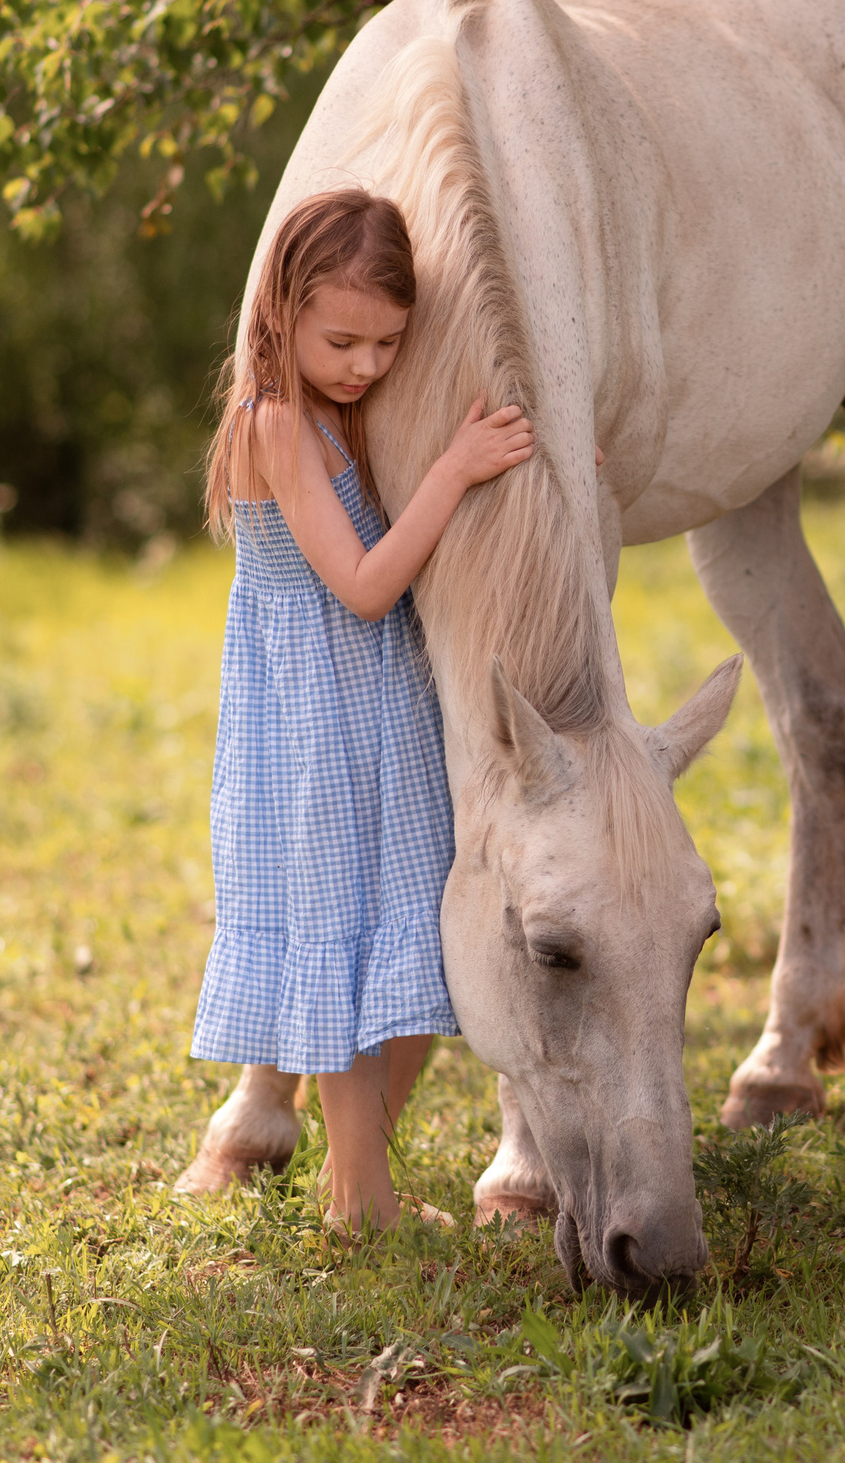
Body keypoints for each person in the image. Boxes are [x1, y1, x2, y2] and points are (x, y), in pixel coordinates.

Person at [188, 186, 533, 1230]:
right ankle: (359, 1201)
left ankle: (361, 1184)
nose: (366, 366)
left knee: (412, 942)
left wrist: (518, 474)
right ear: (282, 309)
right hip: (316, 729)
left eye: (387, 345)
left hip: (380, 712)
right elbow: (367, 585)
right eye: (343, 340)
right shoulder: (277, 425)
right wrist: (458, 468)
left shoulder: (342, 412)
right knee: (339, 946)